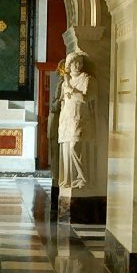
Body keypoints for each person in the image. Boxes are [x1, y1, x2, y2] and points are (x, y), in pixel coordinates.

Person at [57, 51, 97, 189]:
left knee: (75, 146)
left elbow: (86, 98)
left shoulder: (87, 79)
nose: (77, 65)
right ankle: (68, 179)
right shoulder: (65, 82)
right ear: (69, 65)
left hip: (80, 117)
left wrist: (71, 90)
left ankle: (82, 178)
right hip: (67, 118)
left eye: (80, 62)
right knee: (66, 149)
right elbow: (63, 102)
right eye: (74, 62)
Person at [47, 62, 65, 187]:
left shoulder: (63, 83)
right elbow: (56, 104)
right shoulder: (62, 83)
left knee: (57, 154)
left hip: (58, 120)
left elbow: (56, 104)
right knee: (55, 153)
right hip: (55, 120)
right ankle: (56, 179)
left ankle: (57, 180)